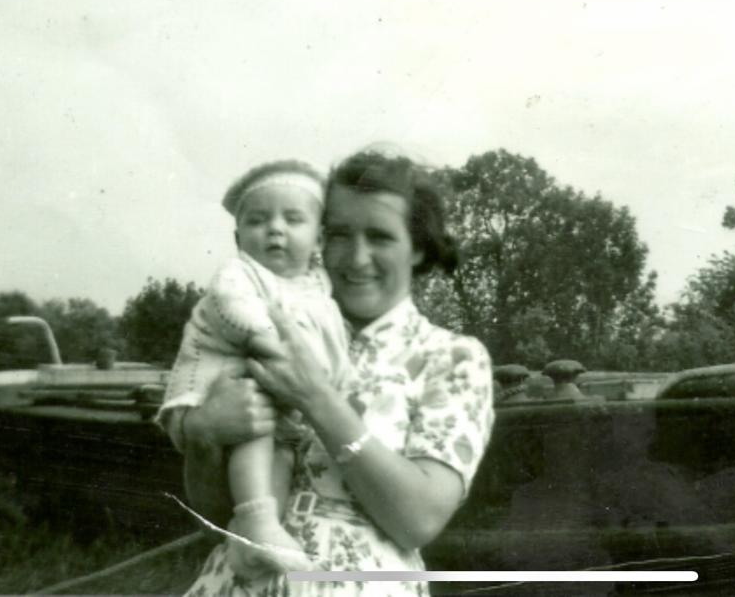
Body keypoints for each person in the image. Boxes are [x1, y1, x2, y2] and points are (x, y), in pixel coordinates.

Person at [177, 148, 497, 597]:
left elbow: (418, 520)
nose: (355, 257)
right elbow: (213, 513)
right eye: (340, 235)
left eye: (380, 237)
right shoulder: (266, 328)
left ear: (419, 249)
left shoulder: (452, 357)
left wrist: (317, 397)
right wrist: (206, 434)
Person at [157, 160, 352, 576]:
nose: (275, 229)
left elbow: (333, 343)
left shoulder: (319, 288)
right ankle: (257, 521)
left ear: (318, 237)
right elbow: (232, 311)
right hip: (226, 373)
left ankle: (257, 537)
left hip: (284, 397)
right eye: (258, 221)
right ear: (238, 237)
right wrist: (269, 343)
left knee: (278, 456)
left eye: (293, 219)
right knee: (256, 424)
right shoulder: (240, 272)